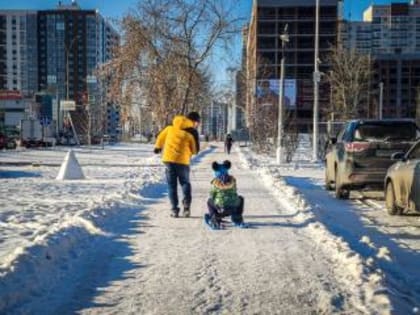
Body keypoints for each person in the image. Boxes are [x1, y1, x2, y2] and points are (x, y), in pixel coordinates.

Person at [154, 111, 200, 218]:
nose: (198, 124)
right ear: (194, 121)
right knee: (185, 183)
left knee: (172, 186)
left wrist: (158, 147)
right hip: (182, 161)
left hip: (168, 159)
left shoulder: (170, 127)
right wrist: (188, 150)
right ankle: (187, 207)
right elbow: (195, 150)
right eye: (198, 122)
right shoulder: (192, 132)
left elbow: (160, 137)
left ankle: (174, 210)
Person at [204, 160, 246, 229]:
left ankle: (214, 217)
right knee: (241, 198)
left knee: (209, 201)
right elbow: (235, 191)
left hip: (221, 207)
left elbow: (212, 194)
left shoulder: (215, 182)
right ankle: (237, 217)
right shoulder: (232, 180)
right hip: (233, 207)